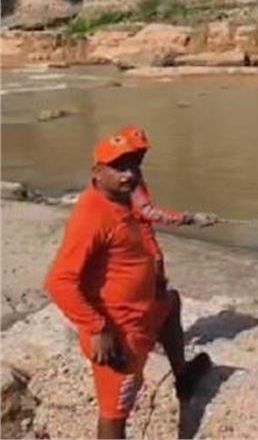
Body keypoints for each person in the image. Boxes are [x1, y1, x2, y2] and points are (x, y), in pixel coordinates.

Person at [44, 134, 211, 439]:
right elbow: (59, 281)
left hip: (145, 309)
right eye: (119, 168)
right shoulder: (92, 216)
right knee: (114, 415)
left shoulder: (125, 197)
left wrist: (186, 222)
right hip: (121, 331)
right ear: (97, 172)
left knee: (171, 303)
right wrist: (97, 328)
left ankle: (183, 376)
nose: (129, 175)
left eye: (134, 166)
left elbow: (147, 217)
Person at [118, 125, 218, 296]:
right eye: (137, 152)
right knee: (155, 265)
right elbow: (147, 211)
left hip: (124, 230)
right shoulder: (129, 177)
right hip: (136, 232)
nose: (141, 155)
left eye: (142, 151)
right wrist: (190, 218)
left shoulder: (111, 172)